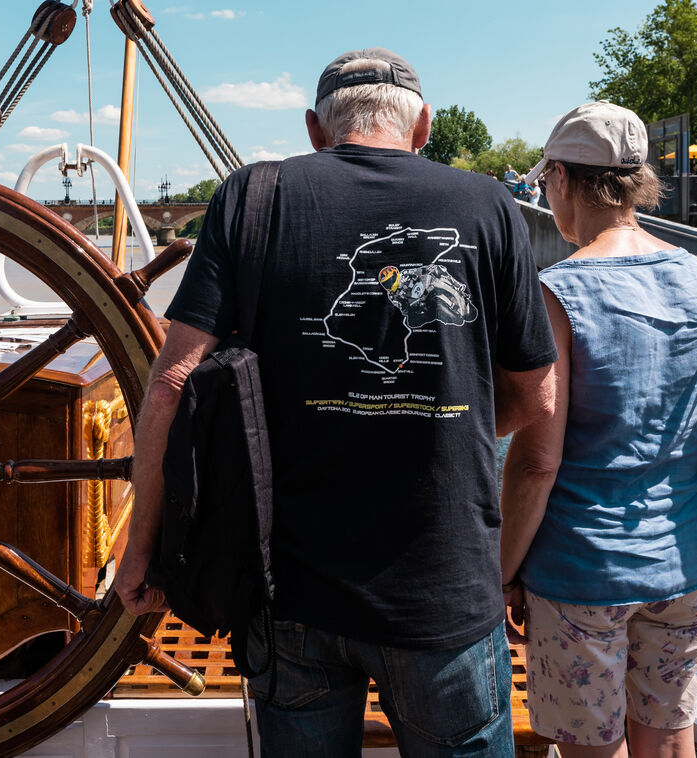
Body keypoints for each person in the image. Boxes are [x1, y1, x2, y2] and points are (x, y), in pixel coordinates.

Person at [116, 47, 558, 756]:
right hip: (443, 591)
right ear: (423, 126)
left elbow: (173, 382)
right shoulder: (488, 204)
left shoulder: (251, 195)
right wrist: (440, 419)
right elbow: (537, 398)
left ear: (315, 129)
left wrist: (143, 550)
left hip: (290, 591)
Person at [501, 101, 697, 758]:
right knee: (670, 736)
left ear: (561, 179)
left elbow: (537, 461)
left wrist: (502, 571)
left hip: (584, 569)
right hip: (687, 557)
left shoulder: (557, 291)